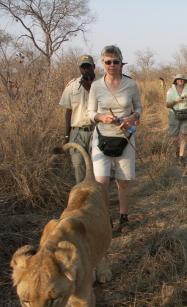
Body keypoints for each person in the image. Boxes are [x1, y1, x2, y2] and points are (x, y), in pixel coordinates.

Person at [88, 45, 142, 230]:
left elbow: (139, 109)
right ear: (102, 63)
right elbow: (90, 112)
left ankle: (124, 218)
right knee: (101, 182)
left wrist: (132, 118)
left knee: (123, 181)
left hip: (125, 138)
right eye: (108, 62)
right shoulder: (96, 86)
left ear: (121, 63)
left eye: (116, 62)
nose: (112, 65)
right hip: (102, 137)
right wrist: (101, 117)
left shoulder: (131, 84)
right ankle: (105, 218)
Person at [59, 54, 99, 184]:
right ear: (79, 69)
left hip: (97, 130)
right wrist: (66, 135)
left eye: (88, 66)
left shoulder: (102, 84)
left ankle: (98, 199)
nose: (86, 70)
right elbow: (68, 110)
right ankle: (83, 200)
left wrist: (90, 88)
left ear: (94, 67)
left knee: (97, 167)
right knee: (78, 166)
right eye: (83, 67)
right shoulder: (72, 85)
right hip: (78, 132)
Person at [165, 74, 187, 164]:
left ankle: (181, 156)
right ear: (175, 81)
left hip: (186, 114)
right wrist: (175, 101)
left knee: (183, 135)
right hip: (173, 114)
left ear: (184, 81)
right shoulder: (170, 91)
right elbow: (167, 105)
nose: (180, 81)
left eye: (182, 79)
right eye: (178, 79)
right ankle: (177, 151)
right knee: (174, 136)